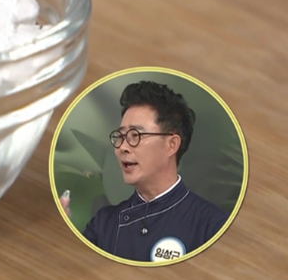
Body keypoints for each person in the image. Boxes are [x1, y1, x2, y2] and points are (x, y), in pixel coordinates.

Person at [63, 81, 230, 262]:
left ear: (171, 145)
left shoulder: (212, 226)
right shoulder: (104, 223)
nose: (122, 147)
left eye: (135, 136)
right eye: (120, 136)